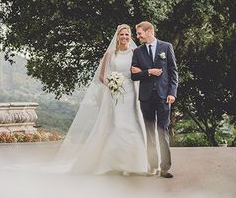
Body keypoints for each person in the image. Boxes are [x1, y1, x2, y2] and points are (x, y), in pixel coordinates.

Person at [55, 24, 148, 175]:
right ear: (117, 36)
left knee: (132, 125)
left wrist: (140, 71)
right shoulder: (110, 53)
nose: (124, 37)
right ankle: (116, 163)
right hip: (115, 94)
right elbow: (101, 76)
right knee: (117, 125)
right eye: (121, 34)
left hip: (131, 93)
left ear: (130, 37)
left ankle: (133, 165)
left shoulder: (135, 52)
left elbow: (141, 71)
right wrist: (112, 85)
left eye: (127, 35)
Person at [131, 22, 178, 178]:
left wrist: (172, 93)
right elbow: (134, 75)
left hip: (164, 96)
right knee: (150, 133)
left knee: (162, 131)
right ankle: (153, 166)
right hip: (145, 98)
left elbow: (173, 72)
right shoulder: (137, 52)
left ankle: (165, 168)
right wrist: (148, 72)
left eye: (139, 33)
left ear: (149, 31)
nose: (137, 36)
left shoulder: (166, 47)